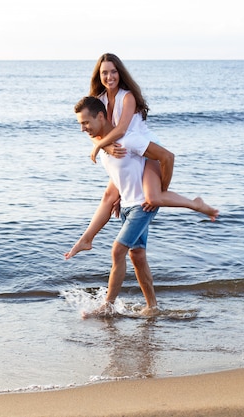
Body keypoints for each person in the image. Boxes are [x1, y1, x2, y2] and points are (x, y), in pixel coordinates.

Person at [65, 53, 218, 260]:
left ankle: (196, 203)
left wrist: (100, 147)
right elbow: (96, 131)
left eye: (113, 71)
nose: (109, 77)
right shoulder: (99, 100)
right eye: (104, 73)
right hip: (126, 154)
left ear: (120, 73)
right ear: (98, 75)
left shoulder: (127, 97)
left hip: (145, 151)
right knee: (109, 198)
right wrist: (105, 147)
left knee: (153, 198)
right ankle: (86, 239)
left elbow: (121, 129)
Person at [73, 96, 172, 317]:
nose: (82, 129)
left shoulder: (128, 139)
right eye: (80, 123)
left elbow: (166, 156)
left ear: (101, 116)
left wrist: (159, 194)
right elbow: (115, 185)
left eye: (86, 122)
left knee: (118, 250)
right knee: (137, 256)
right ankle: (152, 307)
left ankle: (106, 307)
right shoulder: (107, 147)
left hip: (141, 205)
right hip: (127, 205)